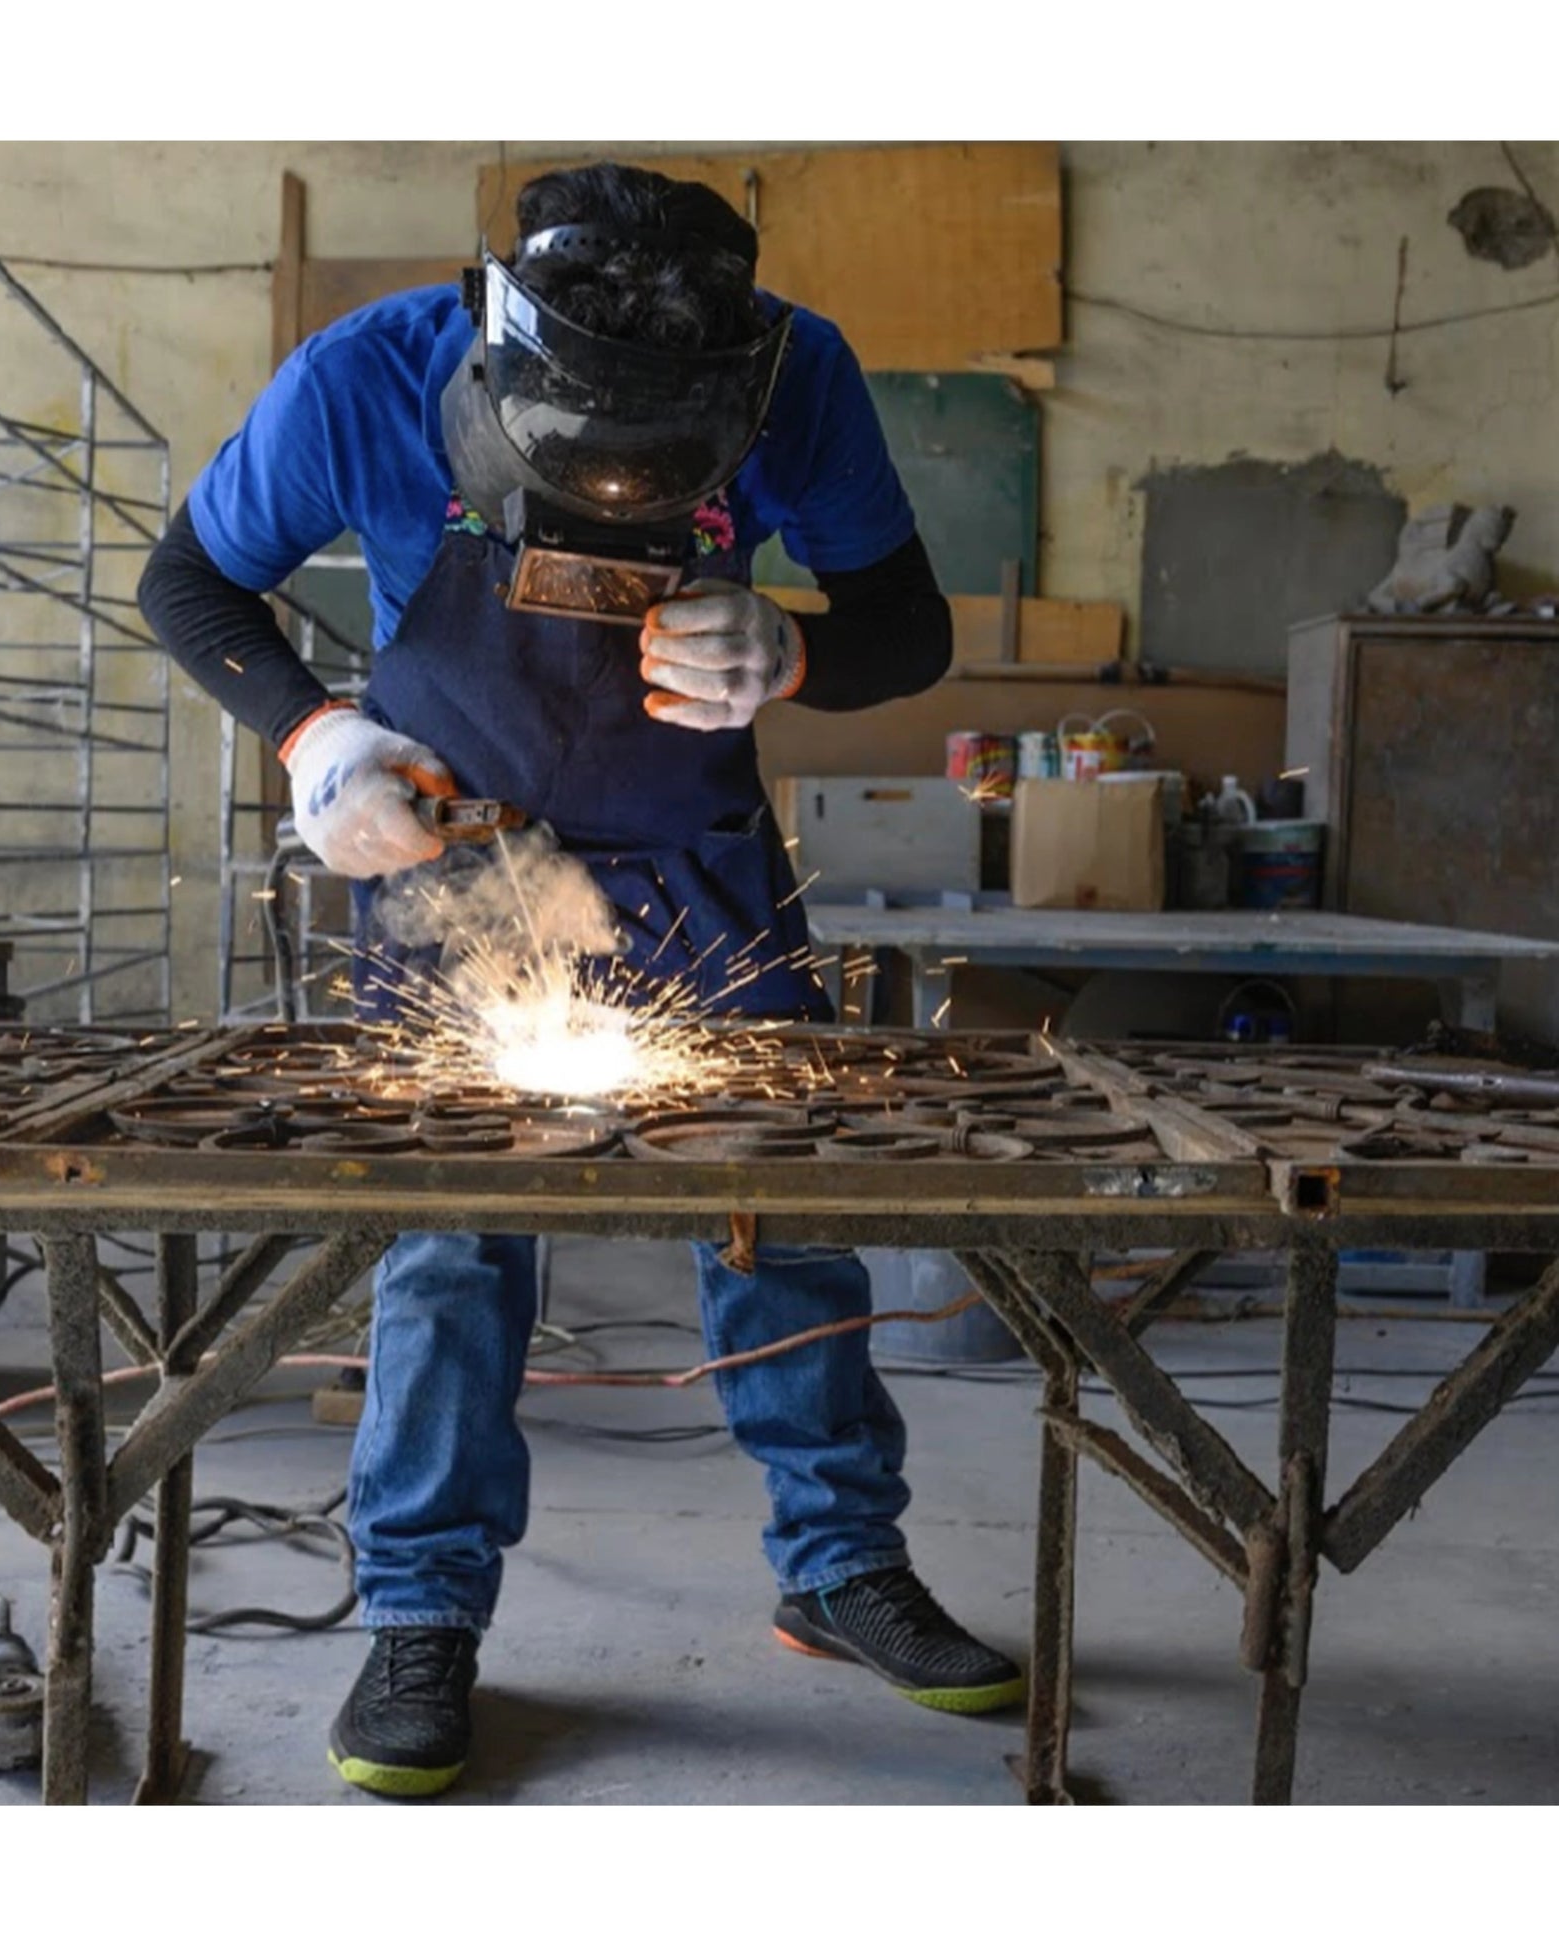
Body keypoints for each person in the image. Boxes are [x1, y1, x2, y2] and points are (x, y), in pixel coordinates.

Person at [139, 161, 1023, 1800]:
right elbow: (185, 580)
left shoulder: (796, 369)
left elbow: (905, 621)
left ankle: (835, 1567)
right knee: (455, 1250)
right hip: (451, 854)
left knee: (777, 1208)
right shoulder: (367, 374)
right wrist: (315, 732)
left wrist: (797, 650)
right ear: (496, 374)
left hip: (696, 861)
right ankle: (420, 1611)